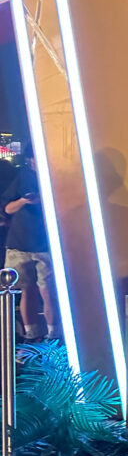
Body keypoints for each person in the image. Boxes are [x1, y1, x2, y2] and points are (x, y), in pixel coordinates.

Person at [2, 144, 57, 341]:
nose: (34, 163)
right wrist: (25, 201)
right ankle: (31, 333)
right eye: (32, 160)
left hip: (46, 244)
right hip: (20, 243)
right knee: (27, 289)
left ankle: (53, 333)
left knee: (47, 290)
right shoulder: (22, 176)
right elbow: (7, 208)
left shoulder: (56, 175)